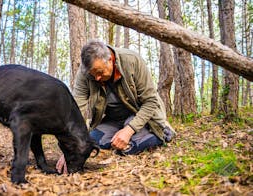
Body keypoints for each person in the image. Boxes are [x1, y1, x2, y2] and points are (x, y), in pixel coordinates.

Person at [56, 40, 176, 173]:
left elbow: (151, 102)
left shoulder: (132, 61)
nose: (96, 78)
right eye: (93, 74)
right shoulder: (86, 72)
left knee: (127, 148)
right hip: (113, 119)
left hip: (140, 114)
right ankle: (123, 133)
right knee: (92, 143)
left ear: (110, 60)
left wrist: (129, 130)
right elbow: (76, 108)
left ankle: (162, 130)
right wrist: (71, 147)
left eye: (100, 72)